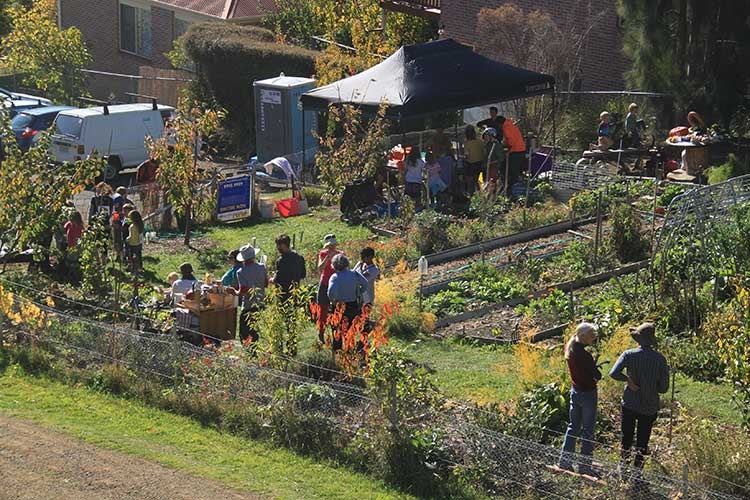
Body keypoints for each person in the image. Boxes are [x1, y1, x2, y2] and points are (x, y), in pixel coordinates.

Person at [609, 322, 670, 470]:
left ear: (638, 340)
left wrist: (628, 380)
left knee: (627, 436)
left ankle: (623, 466)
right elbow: (663, 389)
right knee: (643, 440)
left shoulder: (629, 355)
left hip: (630, 402)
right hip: (649, 405)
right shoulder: (660, 359)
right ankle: (638, 471)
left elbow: (613, 373)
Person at [558, 322, 601, 476]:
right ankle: (584, 466)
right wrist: (595, 370)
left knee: (573, 426)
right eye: (592, 335)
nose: (594, 338)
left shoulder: (570, 349)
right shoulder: (585, 355)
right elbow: (597, 376)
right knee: (588, 430)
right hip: (588, 393)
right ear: (583, 336)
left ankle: (565, 461)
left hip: (575, 391)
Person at [327, 254, 368, 351]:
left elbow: (331, 292)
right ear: (347, 263)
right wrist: (359, 292)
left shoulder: (335, 277)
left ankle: (338, 352)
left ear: (334, 265)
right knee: (351, 330)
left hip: (339, 306)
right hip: (353, 305)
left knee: (337, 331)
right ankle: (350, 351)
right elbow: (365, 283)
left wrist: (334, 300)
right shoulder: (354, 274)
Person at [231, 244, 268, 345]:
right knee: (254, 328)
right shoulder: (262, 267)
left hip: (248, 304)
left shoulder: (241, 272)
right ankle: (255, 349)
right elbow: (266, 283)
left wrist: (234, 292)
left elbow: (243, 291)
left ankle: (250, 351)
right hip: (260, 302)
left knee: (244, 331)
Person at [316, 234, 343, 342]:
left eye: (333, 245)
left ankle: (337, 332)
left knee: (338, 309)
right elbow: (319, 268)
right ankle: (321, 332)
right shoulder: (323, 254)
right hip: (325, 284)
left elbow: (344, 269)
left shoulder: (340, 254)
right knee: (323, 310)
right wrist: (327, 258)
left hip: (337, 284)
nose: (332, 247)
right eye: (330, 245)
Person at [498, 115, 526, 191]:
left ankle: (515, 189)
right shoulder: (511, 125)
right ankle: (512, 187)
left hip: (516, 151)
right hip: (521, 149)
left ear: (500, 123)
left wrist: (506, 148)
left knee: (513, 171)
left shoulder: (506, 127)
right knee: (514, 170)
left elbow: (511, 141)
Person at [463, 125, 485, 194]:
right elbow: (484, 152)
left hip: (471, 164)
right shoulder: (480, 141)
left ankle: (471, 193)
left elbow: (467, 155)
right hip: (480, 163)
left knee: (470, 180)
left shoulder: (467, 143)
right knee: (478, 180)